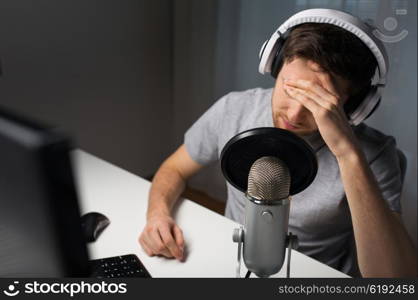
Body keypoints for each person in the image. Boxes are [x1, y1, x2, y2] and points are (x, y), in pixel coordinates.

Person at [138, 9, 417, 277]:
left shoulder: (375, 153)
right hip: (234, 264)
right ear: (275, 66)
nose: (294, 115)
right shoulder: (234, 109)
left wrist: (347, 153)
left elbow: (394, 279)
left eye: (317, 100)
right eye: (290, 88)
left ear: (355, 105)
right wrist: (157, 215)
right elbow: (174, 168)